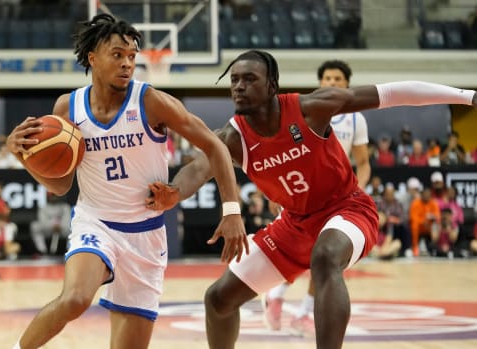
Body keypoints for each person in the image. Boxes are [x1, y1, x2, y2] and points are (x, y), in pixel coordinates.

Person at [147, 49, 477, 349]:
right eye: (234, 80)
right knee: (218, 299)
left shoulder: (310, 109)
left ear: (271, 85)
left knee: (325, 257)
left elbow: (392, 93)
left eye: (250, 79)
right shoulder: (232, 137)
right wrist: (174, 193)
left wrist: (466, 96)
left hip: (347, 209)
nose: (239, 86)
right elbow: (198, 169)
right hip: (293, 224)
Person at [5, 14, 246, 349]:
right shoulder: (68, 107)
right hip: (96, 222)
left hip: (146, 234)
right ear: (93, 58)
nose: (127, 63)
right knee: (75, 298)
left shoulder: (151, 102)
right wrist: (23, 156)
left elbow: (215, 146)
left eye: (132, 56)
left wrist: (231, 210)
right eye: (117, 55)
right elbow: (60, 186)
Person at [262, 59, 372, 336]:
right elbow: (281, 155)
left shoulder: (357, 118)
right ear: (320, 83)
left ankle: (303, 313)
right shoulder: (305, 110)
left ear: (347, 84)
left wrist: (359, 190)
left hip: (336, 197)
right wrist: (275, 189)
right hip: (300, 194)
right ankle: (276, 294)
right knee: (296, 253)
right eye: (328, 79)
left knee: (325, 258)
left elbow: (364, 163)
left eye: (338, 79)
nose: (333, 83)